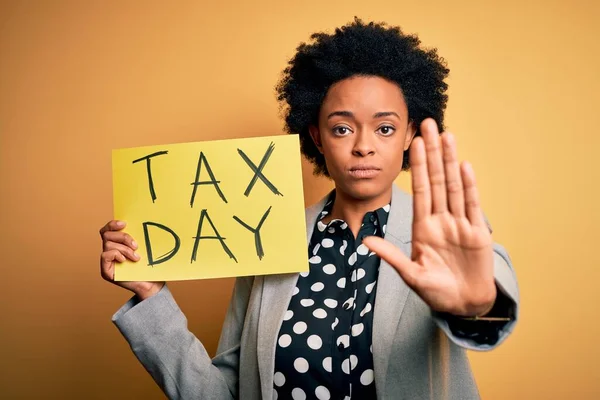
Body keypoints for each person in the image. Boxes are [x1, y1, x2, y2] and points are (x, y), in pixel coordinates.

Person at [99, 18, 519, 400]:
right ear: (317, 137)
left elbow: (488, 297)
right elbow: (224, 393)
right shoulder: (270, 238)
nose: (363, 145)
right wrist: (151, 295)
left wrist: (478, 305)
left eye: (385, 127)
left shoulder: (445, 231)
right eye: (342, 128)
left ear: (410, 133)